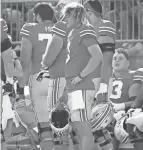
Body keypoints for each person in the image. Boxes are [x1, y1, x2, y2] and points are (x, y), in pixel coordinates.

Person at [62, 2, 102, 150]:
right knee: (79, 127)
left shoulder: (85, 29)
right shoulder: (73, 32)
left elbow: (97, 56)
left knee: (84, 128)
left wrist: (81, 75)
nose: (64, 18)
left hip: (82, 86)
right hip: (75, 87)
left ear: (77, 16)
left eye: (68, 15)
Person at [17, 3, 55, 150]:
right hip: (61, 79)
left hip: (39, 78)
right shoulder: (63, 29)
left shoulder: (29, 28)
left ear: (38, 16)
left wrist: (20, 89)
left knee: (45, 128)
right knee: (64, 128)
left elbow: (25, 61)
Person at [109, 48, 143, 150]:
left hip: (126, 114)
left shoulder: (135, 74)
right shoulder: (106, 78)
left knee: (134, 115)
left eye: (121, 58)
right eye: (114, 58)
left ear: (128, 63)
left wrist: (119, 106)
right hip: (108, 114)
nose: (117, 60)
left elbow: (135, 102)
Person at [84, 0, 116, 104]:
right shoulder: (83, 28)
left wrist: (103, 87)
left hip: (97, 80)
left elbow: (106, 60)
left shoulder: (105, 26)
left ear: (89, 12)